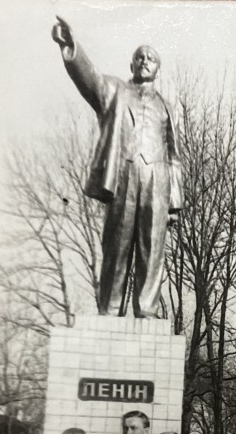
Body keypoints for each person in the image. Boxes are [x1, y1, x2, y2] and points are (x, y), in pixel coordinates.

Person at [51, 16, 183, 318]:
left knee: (152, 249)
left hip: (157, 180)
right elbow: (90, 80)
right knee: (117, 244)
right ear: (132, 64)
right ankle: (110, 309)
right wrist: (72, 47)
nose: (145, 60)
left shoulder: (166, 106)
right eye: (140, 56)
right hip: (123, 176)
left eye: (151, 58)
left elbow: (174, 154)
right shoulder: (114, 91)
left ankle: (146, 308)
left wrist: (174, 204)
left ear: (157, 68)